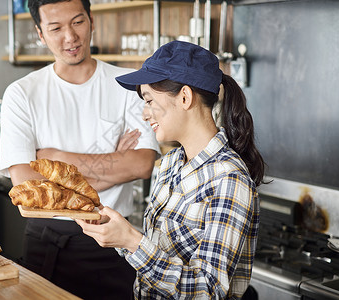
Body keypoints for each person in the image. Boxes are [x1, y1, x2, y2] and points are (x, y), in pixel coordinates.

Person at [75, 40, 266, 299]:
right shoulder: (169, 163)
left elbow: (208, 291)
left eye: (149, 100)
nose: (145, 114)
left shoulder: (229, 179)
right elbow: (162, 248)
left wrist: (132, 241)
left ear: (185, 97)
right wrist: (118, 233)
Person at [0, 0, 160, 299]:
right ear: (40, 34)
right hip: (47, 242)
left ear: (91, 21)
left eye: (77, 22)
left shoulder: (128, 84)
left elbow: (140, 165)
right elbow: (27, 189)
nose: (70, 37)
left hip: (114, 237)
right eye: (56, 28)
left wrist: (54, 159)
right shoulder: (22, 93)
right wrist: (114, 163)